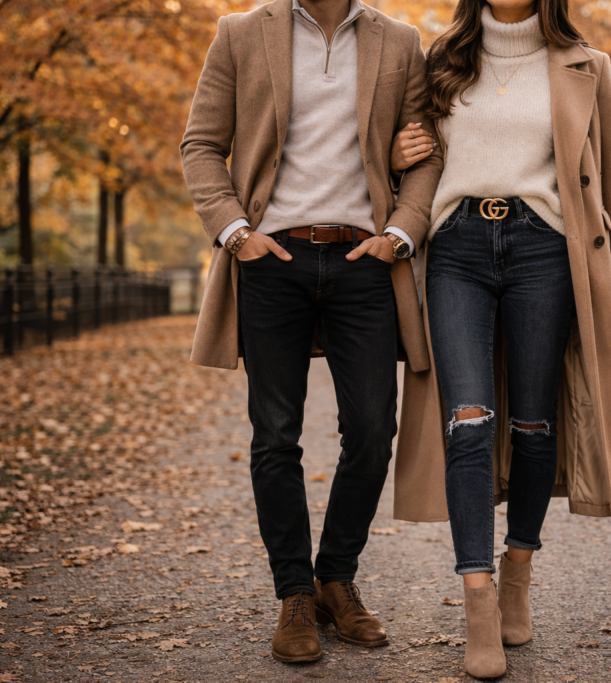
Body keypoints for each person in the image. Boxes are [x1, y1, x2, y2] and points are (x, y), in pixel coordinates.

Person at [389, 0, 611, 677]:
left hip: (548, 249)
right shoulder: (440, 60)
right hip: (457, 249)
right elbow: (409, 159)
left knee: (535, 425)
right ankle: (477, 602)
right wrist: (394, 156)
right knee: (468, 420)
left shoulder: (587, 65)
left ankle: (518, 572)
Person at [179, 0, 442, 664]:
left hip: (365, 258)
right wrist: (237, 233)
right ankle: (295, 592)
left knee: (372, 427)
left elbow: (425, 154)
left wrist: (400, 234)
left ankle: (335, 576)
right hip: (273, 258)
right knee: (275, 432)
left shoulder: (401, 40)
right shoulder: (241, 33)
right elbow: (202, 144)